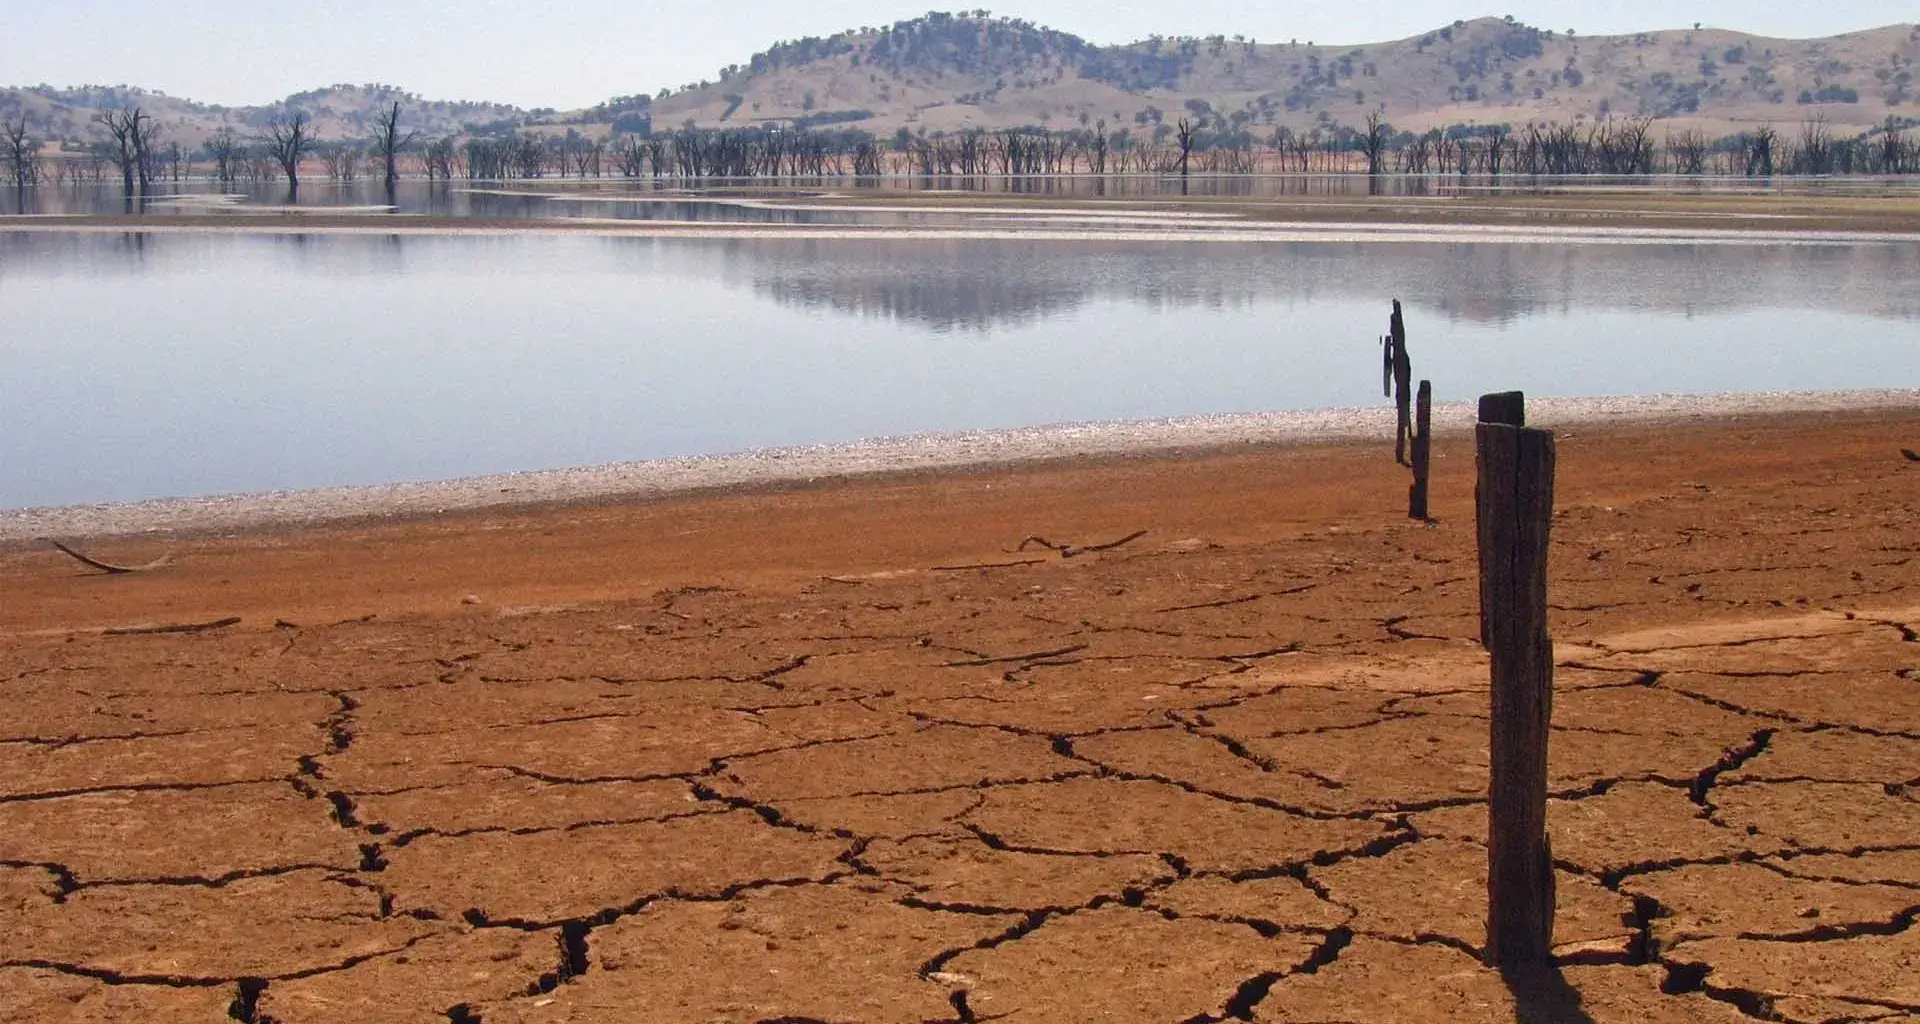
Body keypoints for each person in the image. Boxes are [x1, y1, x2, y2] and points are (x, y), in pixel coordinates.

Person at [1384, 299, 1413, 466]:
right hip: (1402, 384)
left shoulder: (1399, 350)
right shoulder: (1398, 349)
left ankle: (1402, 449)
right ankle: (1400, 452)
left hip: (1403, 383)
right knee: (1403, 409)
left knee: (1404, 409)